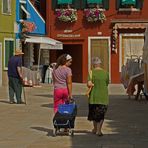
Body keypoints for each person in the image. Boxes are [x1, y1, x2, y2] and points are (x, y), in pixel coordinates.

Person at [87, 57, 109, 136]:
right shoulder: (106, 73)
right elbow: (107, 83)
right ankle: (99, 130)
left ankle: (95, 129)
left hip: (93, 97)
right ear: (100, 64)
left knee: (94, 114)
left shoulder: (91, 73)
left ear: (93, 64)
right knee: (101, 114)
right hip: (103, 97)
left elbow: (89, 84)